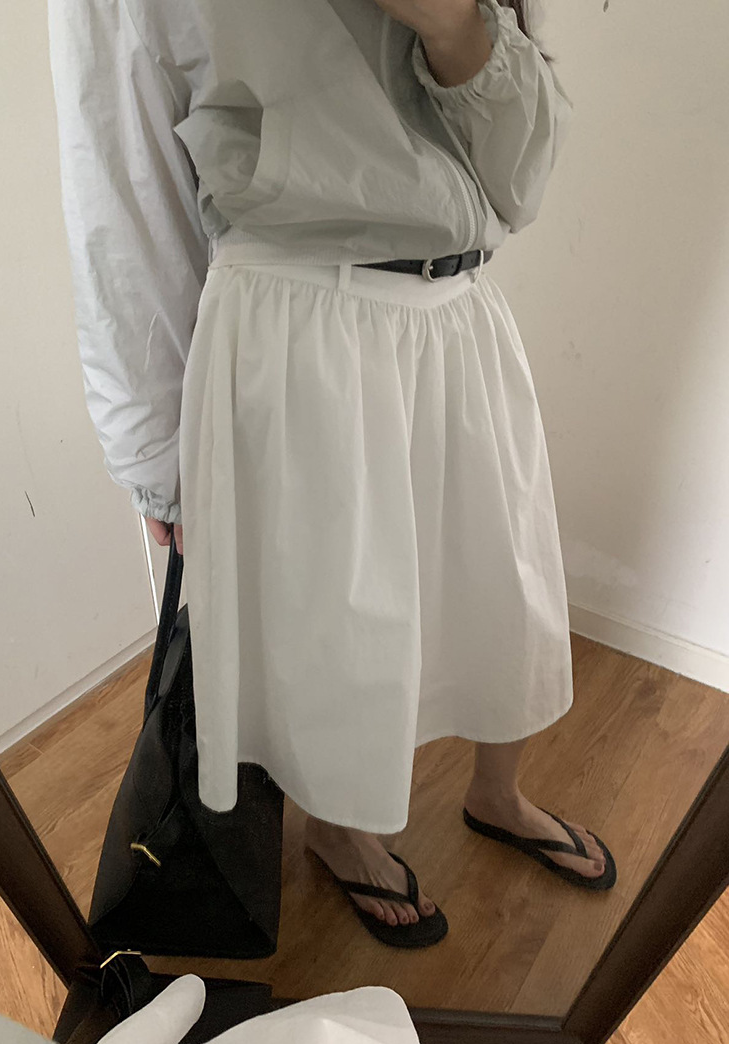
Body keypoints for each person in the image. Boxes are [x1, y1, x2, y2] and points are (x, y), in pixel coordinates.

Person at [48, 0, 616, 950]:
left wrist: (454, 26)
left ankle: (497, 791)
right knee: (344, 626)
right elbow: (120, 175)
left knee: (504, 586)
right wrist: (153, 454)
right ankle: (342, 832)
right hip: (298, 321)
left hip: (460, 309)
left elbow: (520, 184)